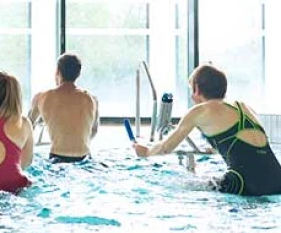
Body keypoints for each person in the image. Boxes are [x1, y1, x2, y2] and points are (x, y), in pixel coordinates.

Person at [133, 63, 281, 196]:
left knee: (180, 185)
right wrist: (215, 149)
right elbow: (245, 146)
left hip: (243, 182)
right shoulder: (243, 107)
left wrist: (146, 152)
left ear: (197, 88)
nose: (192, 96)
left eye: (191, 89)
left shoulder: (199, 111)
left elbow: (165, 148)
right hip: (277, 179)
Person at [28, 52, 99, 162]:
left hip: (57, 159)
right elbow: (93, 131)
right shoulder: (92, 99)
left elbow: (28, 128)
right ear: (78, 73)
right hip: (84, 159)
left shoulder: (41, 97)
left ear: (57, 71)